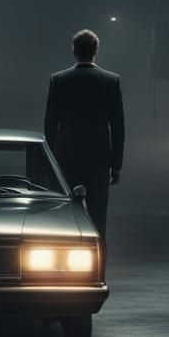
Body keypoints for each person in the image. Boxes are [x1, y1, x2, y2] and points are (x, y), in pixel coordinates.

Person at [43, 29, 125, 263]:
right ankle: (98, 269)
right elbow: (118, 125)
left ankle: (63, 268)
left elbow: (50, 125)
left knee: (64, 217)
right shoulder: (111, 81)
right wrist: (116, 164)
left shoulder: (58, 80)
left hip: (65, 159)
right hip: (99, 160)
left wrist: (49, 163)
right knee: (98, 221)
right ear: (95, 50)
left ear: (74, 50)